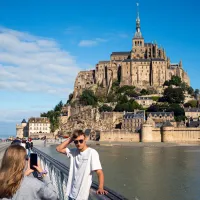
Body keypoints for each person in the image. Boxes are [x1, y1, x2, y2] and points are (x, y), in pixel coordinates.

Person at [56, 129, 108, 200]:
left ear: (85, 139)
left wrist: (100, 187)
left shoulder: (92, 153)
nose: (78, 144)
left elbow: (99, 172)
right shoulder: (73, 152)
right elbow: (59, 149)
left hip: (82, 196)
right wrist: (71, 138)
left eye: (81, 141)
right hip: (71, 193)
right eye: (76, 142)